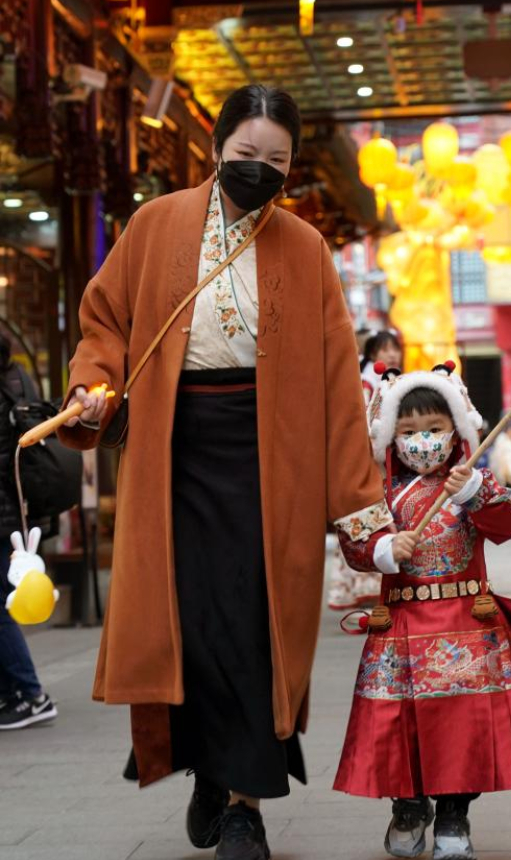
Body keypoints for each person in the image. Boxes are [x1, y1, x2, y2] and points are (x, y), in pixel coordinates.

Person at [58, 84, 391, 860]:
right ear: (216, 149)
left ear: (291, 166)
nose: (259, 170)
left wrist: (359, 506)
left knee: (253, 625)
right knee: (191, 624)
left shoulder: (306, 247)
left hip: (272, 457)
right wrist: (90, 388)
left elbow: (339, 378)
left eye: (276, 161)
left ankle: (244, 805)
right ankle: (209, 770)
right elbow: (105, 320)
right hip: (173, 450)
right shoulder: (155, 223)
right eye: (246, 156)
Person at [333, 364, 511, 860]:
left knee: (463, 726)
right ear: (391, 438)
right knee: (398, 724)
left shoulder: (471, 481)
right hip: (400, 623)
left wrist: (471, 494)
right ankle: (409, 805)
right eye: (409, 432)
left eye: (434, 430)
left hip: (466, 622)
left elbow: (508, 523)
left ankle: (455, 815)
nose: (423, 441)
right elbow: (354, 541)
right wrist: (382, 548)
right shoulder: (379, 491)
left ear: (455, 430)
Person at [0, 336, 57, 730]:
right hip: (14, 505)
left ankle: (31, 693)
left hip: (3, 509)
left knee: (0, 605)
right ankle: (16, 691)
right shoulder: (17, 376)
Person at [328, 330, 403, 611]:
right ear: (373, 353)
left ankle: (372, 593)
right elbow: (361, 423)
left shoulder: (388, 378)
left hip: (377, 462)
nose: (392, 354)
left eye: (395, 348)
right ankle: (372, 592)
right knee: (374, 522)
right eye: (385, 349)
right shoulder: (369, 381)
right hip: (373, 464)